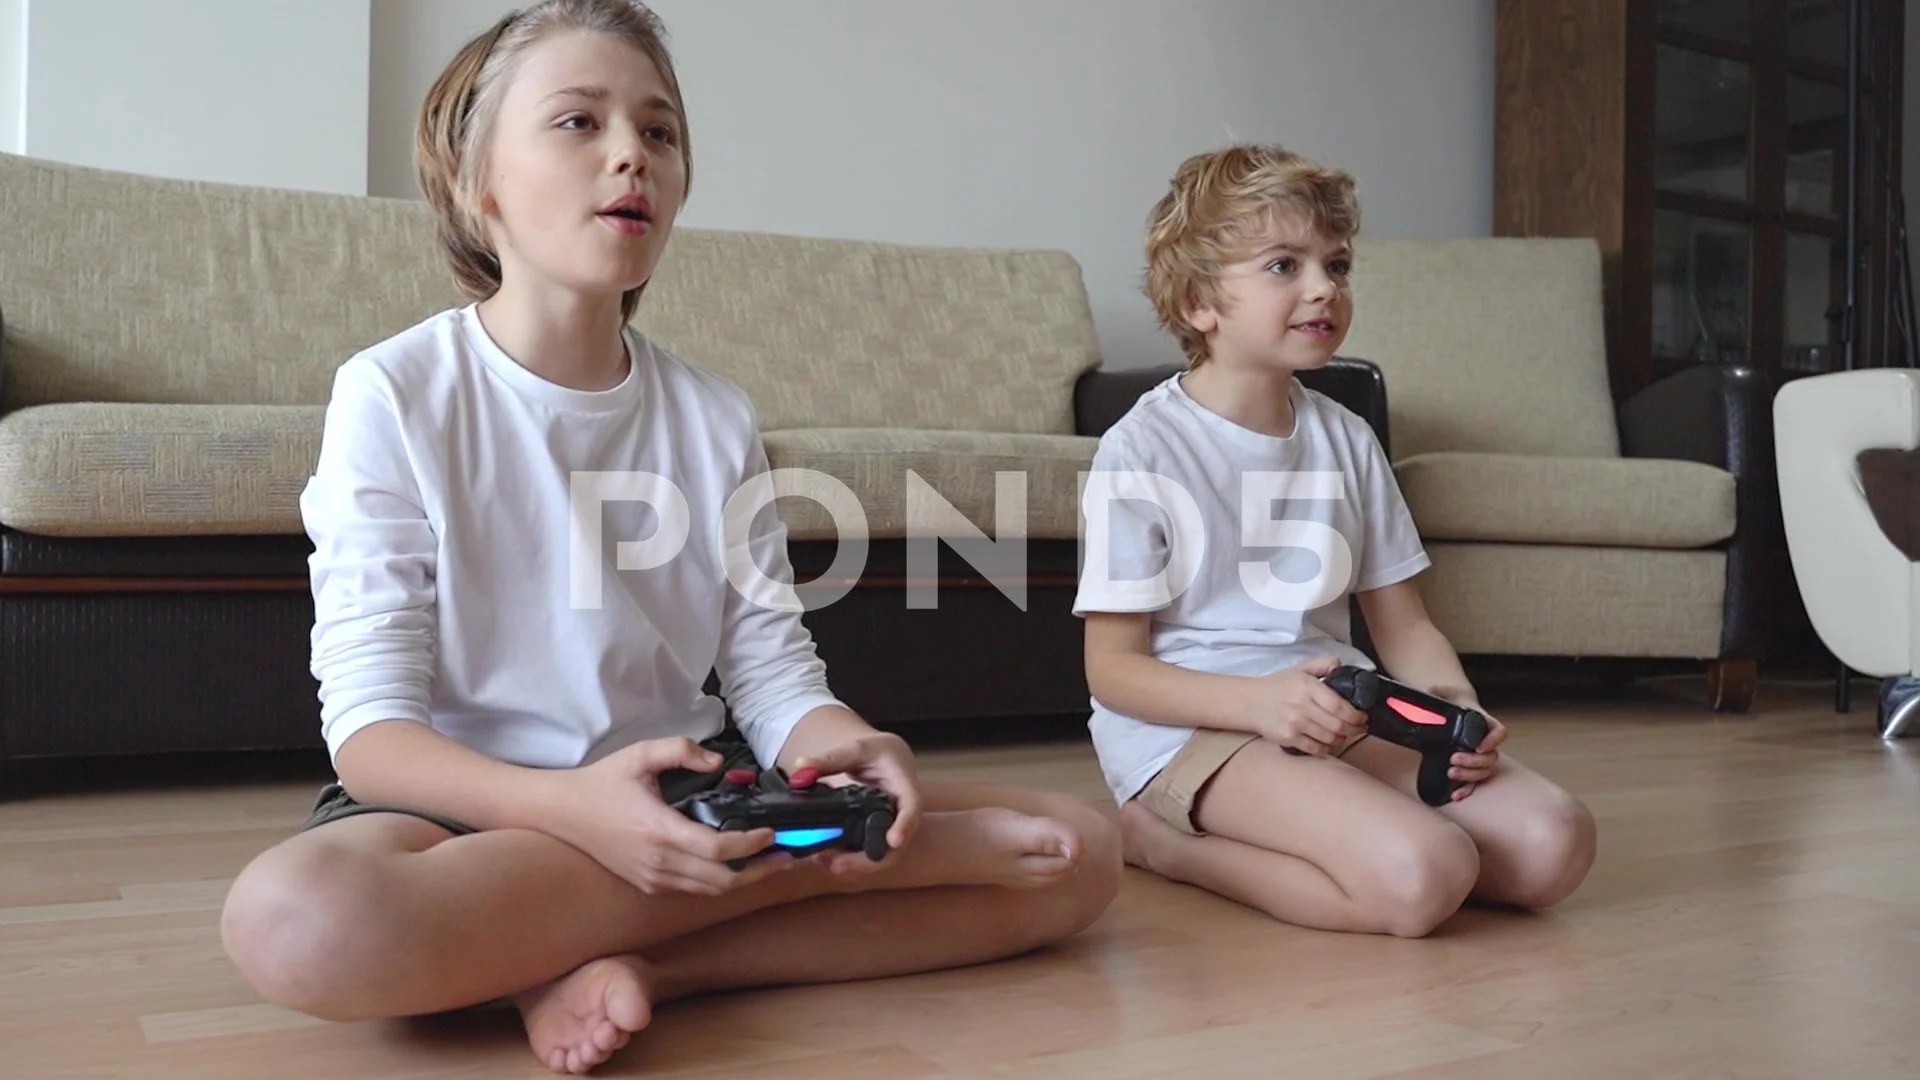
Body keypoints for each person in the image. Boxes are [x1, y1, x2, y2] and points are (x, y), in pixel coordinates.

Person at [216, 2, 1119, 1074]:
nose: (628, 157)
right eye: (577, 122)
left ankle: (617, 962)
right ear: (478, 183)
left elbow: (773, 673)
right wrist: (580, 816)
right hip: (460, 813)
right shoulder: (395, 393)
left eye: (658, 132)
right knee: (295, 918)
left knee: (1083, 854)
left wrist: (841, 748)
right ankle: (761, 873)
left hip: (700, 788)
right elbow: (371, 737)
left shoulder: (713, 416)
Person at [1076, 144, 1595, 939]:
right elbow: (1113, 671)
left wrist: (1458, 709)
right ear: (1198, 303)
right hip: (1197, 731)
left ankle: (1357, 826)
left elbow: (1405, 626)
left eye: (1338, 264)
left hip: (1338, 711)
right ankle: (1165, 845)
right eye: (1284, 265)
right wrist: (1257, 703)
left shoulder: (1347, 439)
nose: (1324, 286)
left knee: (1553, 843)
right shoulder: (1141, 449)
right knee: (1426, 873)